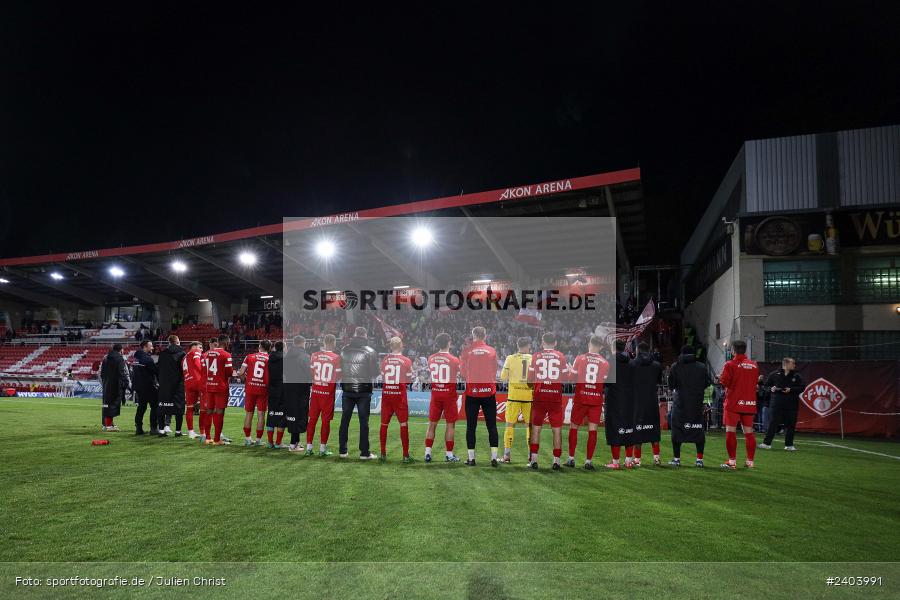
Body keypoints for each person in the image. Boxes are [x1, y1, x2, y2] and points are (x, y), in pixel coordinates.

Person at [566, 335, 610, 470]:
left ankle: (571, 458)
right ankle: (588, 461)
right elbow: (604, 383)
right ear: (601, 347)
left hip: (581, 398)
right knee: (593, 430)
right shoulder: (605, 363)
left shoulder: (580, 358)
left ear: (589, 344)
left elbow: (571, 379)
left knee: (574, 427)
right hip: (596, 399)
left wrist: (569, 371)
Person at [527, 332, 569, 471]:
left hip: (539, 397)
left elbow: (529, 381)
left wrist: (536, 384)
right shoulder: (561, 356)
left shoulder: (536, 356)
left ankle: (534, 460)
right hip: (555, 397)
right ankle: (556, 461)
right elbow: (565, 378)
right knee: (556, 430)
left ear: (542, 342)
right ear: (555, 343)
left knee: (536, 428)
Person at [459, 326, 500, 467]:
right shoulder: (492, 351)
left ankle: (471, 459)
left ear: (473, 335)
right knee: (492, 426)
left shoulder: (466, 351)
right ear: (485, 335)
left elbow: (463, 374)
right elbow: (495, 371)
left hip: (473, 393)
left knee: (471, 427)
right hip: (488, 392)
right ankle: (494, 458)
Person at [338, 327, 379, 460]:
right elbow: (375, 373)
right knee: (364, 422)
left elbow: (341, 369)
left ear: (354, 335)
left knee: (345, 420)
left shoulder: (344, 350)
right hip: (363, 391)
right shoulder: (370, 351)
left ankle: (342, 451)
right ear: (365, 336)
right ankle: (364, 452)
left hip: (347, 390)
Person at [667, 345, 710, 467]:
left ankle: (676, 459)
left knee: (677, 432)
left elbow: (671, 385)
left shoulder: (676, 366)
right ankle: (699, 460)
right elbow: (707, 383)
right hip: (696, 404)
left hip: (680, 404)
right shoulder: (702, 367)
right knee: (698, 431)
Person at [719, 340, 759, 470]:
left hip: (733, 402)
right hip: (749, 402)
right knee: (749, 432)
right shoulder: (753, 365)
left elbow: (724, 382)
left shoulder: (730, 364)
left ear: (733, 351)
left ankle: (732, 461)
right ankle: (750, 462)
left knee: (730, 432)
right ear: (745, 350)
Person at [424, 332, 461, 463]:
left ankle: (427, 453)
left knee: (432, 424)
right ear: (449, 342)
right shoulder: (455, 360)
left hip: (436, 394)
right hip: (449, 396)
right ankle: (449, 454)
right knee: (450, 425)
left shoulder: (431, 358)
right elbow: (460, 374)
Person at [379, 337, 414, 462]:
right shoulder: (406, 361)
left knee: (384, 424)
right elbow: (409, 381)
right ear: (401, 346)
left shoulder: (384, 360)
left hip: (387, 395)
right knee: (403, 424)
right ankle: (405, 455)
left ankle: (383, 454)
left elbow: (383, 378)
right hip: (399, 397)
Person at [305, 334, 341, 456]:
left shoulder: (314, 355)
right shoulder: (336, 357)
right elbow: (339, 376)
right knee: (325, 421)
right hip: (327, 393)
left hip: (315, 392)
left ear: (324, 342)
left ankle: (309, 447)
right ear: (333, 343)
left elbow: (310, 372)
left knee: (312, 420)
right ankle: (322, 449)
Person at [499, 337, 533, 464]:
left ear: (518, 346)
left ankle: (507, 455)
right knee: (529, 426)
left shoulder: (510, 358)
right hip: (529, 396)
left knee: (510, 425)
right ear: (528, 346)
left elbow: (503, 377)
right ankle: (531, 455)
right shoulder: (533, 358)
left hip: (514, 396)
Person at [603, 339, 635, 469]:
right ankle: (628, 461)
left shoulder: (610, 361)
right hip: (629, 400)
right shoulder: (632, 363)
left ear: (613, 348)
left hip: (614, 400)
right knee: (628, 428)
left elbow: (607, 381)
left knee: (614, 428)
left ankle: (615, 462)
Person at [760, 357, 804, 451]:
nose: (794, 365)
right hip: (776, 404)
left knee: (791, 425)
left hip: (792, 405)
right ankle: (766, 443)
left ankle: (789, 445)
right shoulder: (774, 374)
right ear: (786, 364)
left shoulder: (797, 376)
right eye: (793, 363)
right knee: (773, 423)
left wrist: (791, 389)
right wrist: (771, 389)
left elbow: (802, 387)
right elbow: (766, 386)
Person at [630, 342, 663, 467]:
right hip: (652, 401)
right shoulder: (656, 365)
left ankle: (637, 460)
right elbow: (659, 380)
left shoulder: (632, 364)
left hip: (637, 402)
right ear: (648, 351)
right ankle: (656, 458)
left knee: (638, 429)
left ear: (637, 350)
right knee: (654, 429)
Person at [235, 340, 271, 446]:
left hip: (250, 388)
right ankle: (258, 440)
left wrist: (245, 380)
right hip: (263, 389)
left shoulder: (249, 356)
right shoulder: (269, 359)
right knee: (261, 415)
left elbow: (241, 372)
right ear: (269, 348)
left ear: (259, 346)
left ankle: (247, 439)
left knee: (249, 414)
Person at [204, 335, 233, 445]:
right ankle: (217, 439)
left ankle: (207, 438)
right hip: (221, 386)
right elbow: (229, 372)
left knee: (209, 410)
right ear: (225, 343)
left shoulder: (206, 354)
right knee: (220, 411)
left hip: (210, 385)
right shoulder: (226, 354)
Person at [285, 336, 312, 453]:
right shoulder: (304, 356)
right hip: (301, 389)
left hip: (289, 388)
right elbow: (309, 373)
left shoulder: (287, 356)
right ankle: (294, 443)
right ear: (303, 343)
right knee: (300, 414)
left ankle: (294, 441)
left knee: (292, 414)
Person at [157, 335, 186, 437]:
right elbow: (184, 370)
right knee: (179, 409)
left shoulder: (162, 354)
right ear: (178, 342)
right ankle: (178, 431)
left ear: (169, 343)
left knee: (162, 408)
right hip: (178, 386)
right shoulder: (182, 354)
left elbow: (158, 369)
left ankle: (161, 430)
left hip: (164, 386)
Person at [132, 340, 159, 435]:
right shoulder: (147, 359)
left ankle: (138, 428)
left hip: (138, 387)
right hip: (148, 386)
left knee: (141, 407)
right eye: (150, 346)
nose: (152, 348)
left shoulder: (136, 358)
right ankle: (153, 428)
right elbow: (156, 371)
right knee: (155, 406)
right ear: (144, 347)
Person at [100, 343, 130, 431]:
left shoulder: (106, 358)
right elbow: (122, 373)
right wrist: (126, 383)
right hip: (116, 385)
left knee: (107, 405)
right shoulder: (120, 359)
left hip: (107, 385)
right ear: (121, 350)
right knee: (113, 405)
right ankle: (109, 426)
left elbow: (102, 373)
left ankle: (107, 425)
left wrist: (105, 382)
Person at [264, 340, 286, 449]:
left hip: (271, 389)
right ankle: (278, 443)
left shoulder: (269, 358)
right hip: (282, 390)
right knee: (281, 416)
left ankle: (269, 442)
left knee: (271, 414)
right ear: (284, 348)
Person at [182, 341, 204, 439]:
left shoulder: (183, 358)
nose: (201, 349)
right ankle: (203, 432)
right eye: (200, 347)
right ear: (194, 347)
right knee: (204, 407)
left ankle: (191, 432)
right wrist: (205, 373)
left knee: (190, 408)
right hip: (198, 380)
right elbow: (197, 363)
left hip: (188, 382)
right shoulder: (195, 352)